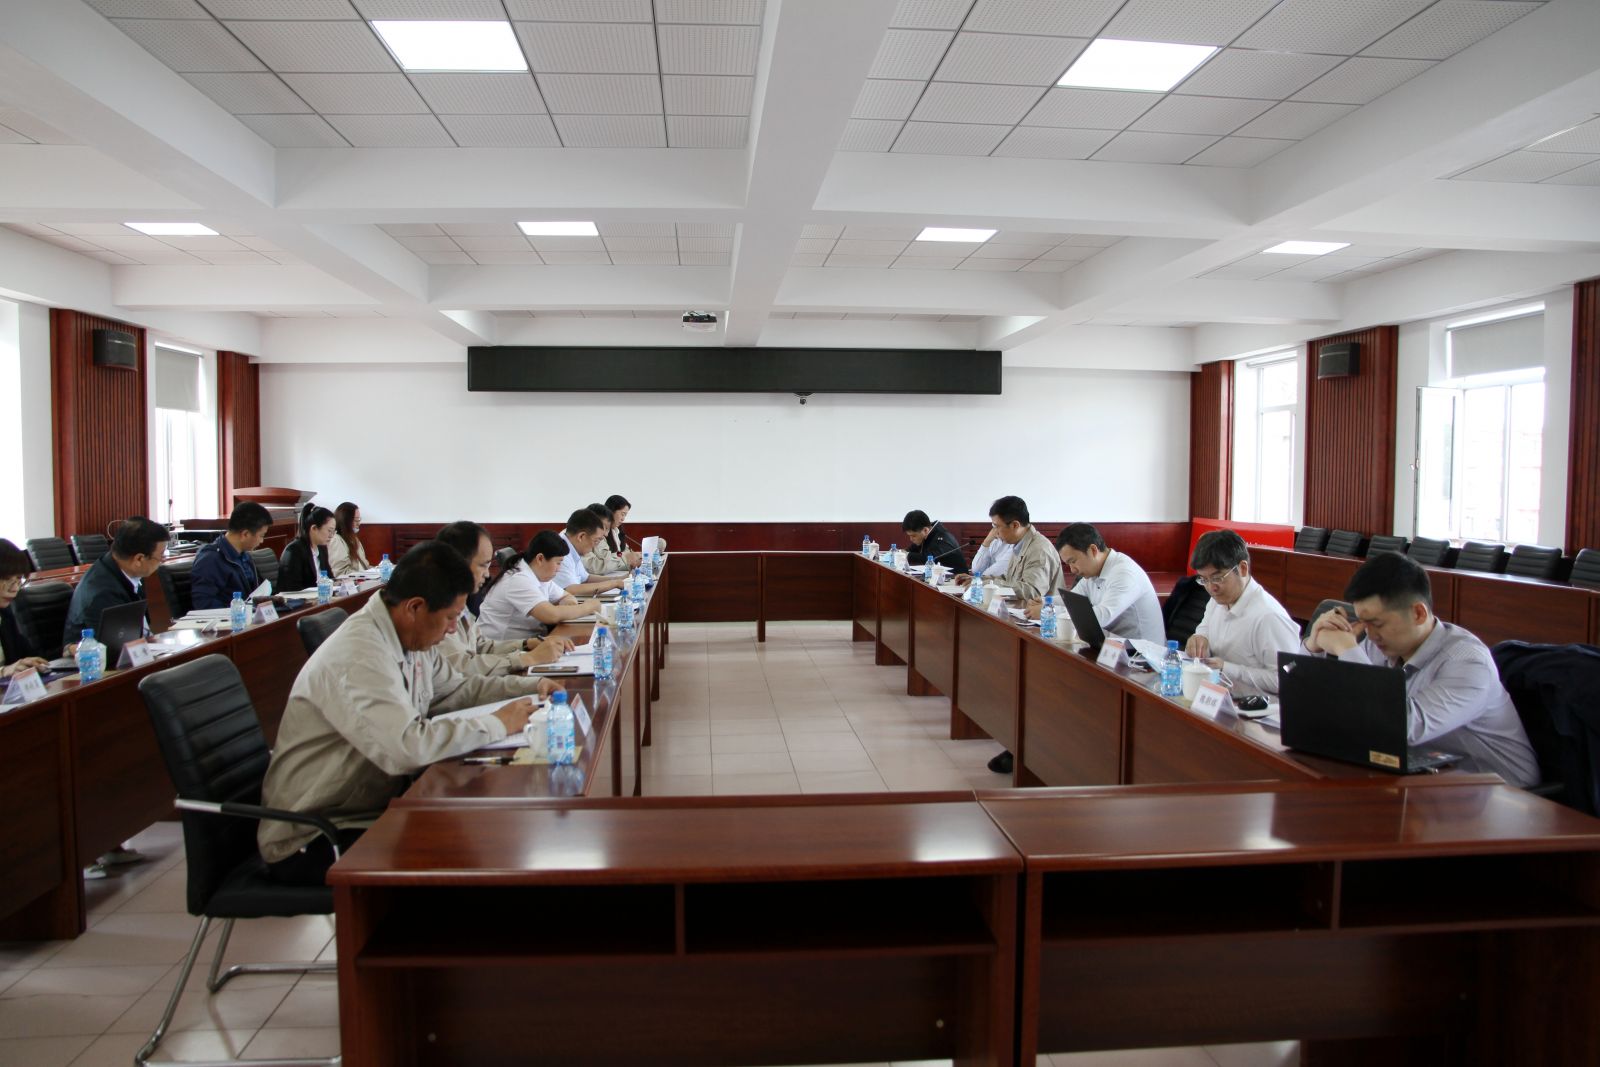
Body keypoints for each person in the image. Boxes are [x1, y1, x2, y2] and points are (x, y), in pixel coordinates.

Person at [258, 541, 561, 885]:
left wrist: (531, 686)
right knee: (479, 851)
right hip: (317, 833)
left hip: (370, 804)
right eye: (450, 618)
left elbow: (457, 689)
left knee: (490, 829)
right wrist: (496, 723)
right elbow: (406, 748)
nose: (453, 630)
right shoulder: (360, 655)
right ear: (415, 607)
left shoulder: (409, 635)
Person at [1303, 552, 1538, 787]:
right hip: (1428, 776)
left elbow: (1398, 728)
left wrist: (1347, 650)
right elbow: (1327, 704)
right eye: (1365, 624)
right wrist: (1313, 647)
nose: (1371, 635)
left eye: (1377, 623)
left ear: (1418, 613)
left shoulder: (1468, 663)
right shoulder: (1382, 645)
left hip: (1501, 793)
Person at [435, 520, 574, 674]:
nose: (487, 574)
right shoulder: (435, 608)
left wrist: (527, 644)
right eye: (483, 565)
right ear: (456, 562)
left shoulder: (460, 602)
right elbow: (461, 670)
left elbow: (481, 646)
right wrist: (527, 658)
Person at [1184, 530, 1301, 695]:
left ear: (1243, 568)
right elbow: (1204, 630)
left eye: (1217, 578)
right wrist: (1199, 639)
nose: (1211, 588)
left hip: (1258, 707)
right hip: (1218, 697)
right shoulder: (1217, 600)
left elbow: (1287, 676)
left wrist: (1227, 668)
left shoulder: (1269, 617)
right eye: (1204, 579)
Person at [63, 516, 168, 645]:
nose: (163, 560)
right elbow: (117, 648)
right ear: (139, 559)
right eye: (161, 555)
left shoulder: (123, 571)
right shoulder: (102, 594)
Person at [1054, 523, 1165, 643]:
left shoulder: (1124, 573)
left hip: (1142, 651)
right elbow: (1071, 601)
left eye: (1073, 561)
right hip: (1114, 645)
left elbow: (1102, 616)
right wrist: (1044, 603)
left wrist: (1053, 613)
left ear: (1093, 550)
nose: (1072, 570)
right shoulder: (1093, 572)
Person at [478, 530, 597, 640]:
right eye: (558, 563)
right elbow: (551, 615)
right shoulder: (518, 579)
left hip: (528, 642)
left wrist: (568, 606)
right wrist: (588, 607)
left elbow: (566, 596)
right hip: (501, 649)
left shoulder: (540, 576)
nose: (559, 569)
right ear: (540, 559)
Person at [189, 502, 270, 609]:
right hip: (231, 617)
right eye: (261, 536)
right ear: (245, 534)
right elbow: (203, 603)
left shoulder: (245, 556)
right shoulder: (210, 560)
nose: (262, 541)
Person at [0, 539, 48, 677]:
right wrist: (3, 671)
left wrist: (32, 663)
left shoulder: (5, 614)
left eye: (18, 580)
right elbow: (8, 669)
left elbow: (26, 655)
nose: (15, 588)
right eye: (7, 580)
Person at [554, 508, 626, 595]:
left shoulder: (572, 547)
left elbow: (586, 578)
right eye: (596, 541)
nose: (595, 547)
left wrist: (618, 579)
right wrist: (613, 583)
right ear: (581, 537)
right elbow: (572, 590)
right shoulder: (560, 551)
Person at [278, 504, 335, 592]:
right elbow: (292, 590)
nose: (331, 536)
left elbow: (329, 578)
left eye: (334, 532)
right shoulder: (294, 551)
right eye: (329, 531)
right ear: (314, 528)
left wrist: (338, 583)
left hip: (321, 597)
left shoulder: (321, 548)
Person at [902, 510, 969, 574]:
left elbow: (929, 558)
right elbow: (912, 549)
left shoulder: (942, 538)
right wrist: (902, 553)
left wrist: (907, 555)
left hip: (957, 578)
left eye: (913, 536)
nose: (911, 539)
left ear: (925, 530)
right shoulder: (928, 535)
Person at [581, 503, 636, 578]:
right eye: (622, 514)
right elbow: (594, 567)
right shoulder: (581, 539)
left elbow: (587, 578)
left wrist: (616, 580)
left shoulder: (616, 532)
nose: (606, 534)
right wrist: (625, 559)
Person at [328, 501, 370, 578]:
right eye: (356, 520)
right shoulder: (336, 540)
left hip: (363, 580)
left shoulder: (354, 539)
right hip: (351, 583)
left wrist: (377, 570)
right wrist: (363, 575)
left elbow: (365, 566)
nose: (359, 523)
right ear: (345, 520)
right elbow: (340, 573)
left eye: (359, 519)